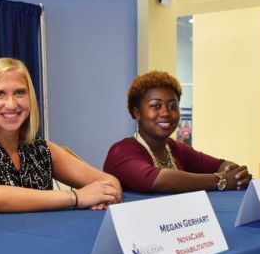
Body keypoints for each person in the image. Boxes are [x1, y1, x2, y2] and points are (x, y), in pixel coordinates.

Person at [0, 58, 122, 212]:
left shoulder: (42, 148)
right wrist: (75, 197)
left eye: (20, 93)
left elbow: (108, 181)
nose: (11, 104)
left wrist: (105, 196)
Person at [104, 71, 252, 193]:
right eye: (156, 106)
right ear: (137, 113)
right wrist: (221, 180)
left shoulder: (176, 149)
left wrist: (237, 175)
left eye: (173, 106)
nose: (166, 113)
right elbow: (157, 181)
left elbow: (222, 166)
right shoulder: (121, 151)